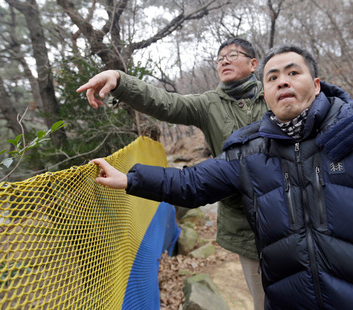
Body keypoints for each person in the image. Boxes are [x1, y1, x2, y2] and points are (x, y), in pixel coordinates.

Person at [91, 44, 353, 309]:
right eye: (275, 78)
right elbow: (194, 183)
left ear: (316, 84)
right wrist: (131, 179)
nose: (283, 81)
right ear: (266, 95)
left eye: (293, 73)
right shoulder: (247, 149)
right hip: (283, 280)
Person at [77, 38, 268, 309]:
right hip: (246, 222)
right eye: (219, 58)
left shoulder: (273, 92)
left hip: (293, 212)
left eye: (232, 55)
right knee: (265, 300)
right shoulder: (209, 104)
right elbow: (165, 102)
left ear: (253, 64)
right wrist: (120, 80)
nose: (223, 60)